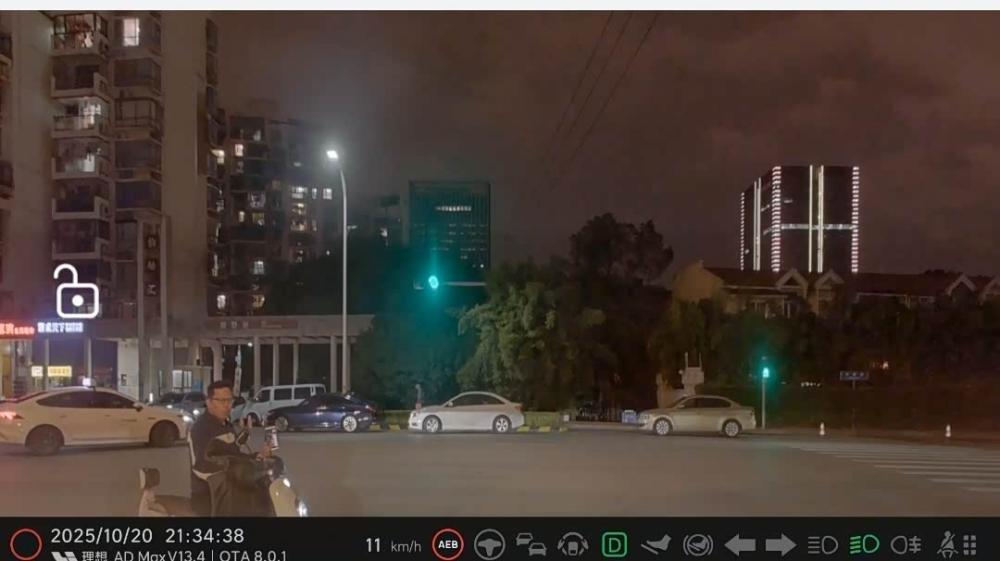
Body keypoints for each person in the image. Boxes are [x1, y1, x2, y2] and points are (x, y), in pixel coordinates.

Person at [189, 380, 271, 516]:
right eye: (221, 401)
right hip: (209, 495)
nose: (227, 405)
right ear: (209, 402)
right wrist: (233, 465)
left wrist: (257, 456)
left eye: (229, 400)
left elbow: (234, 453)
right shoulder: (201, 429)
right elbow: (204, 463)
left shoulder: (226, 425)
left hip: (231, 488)